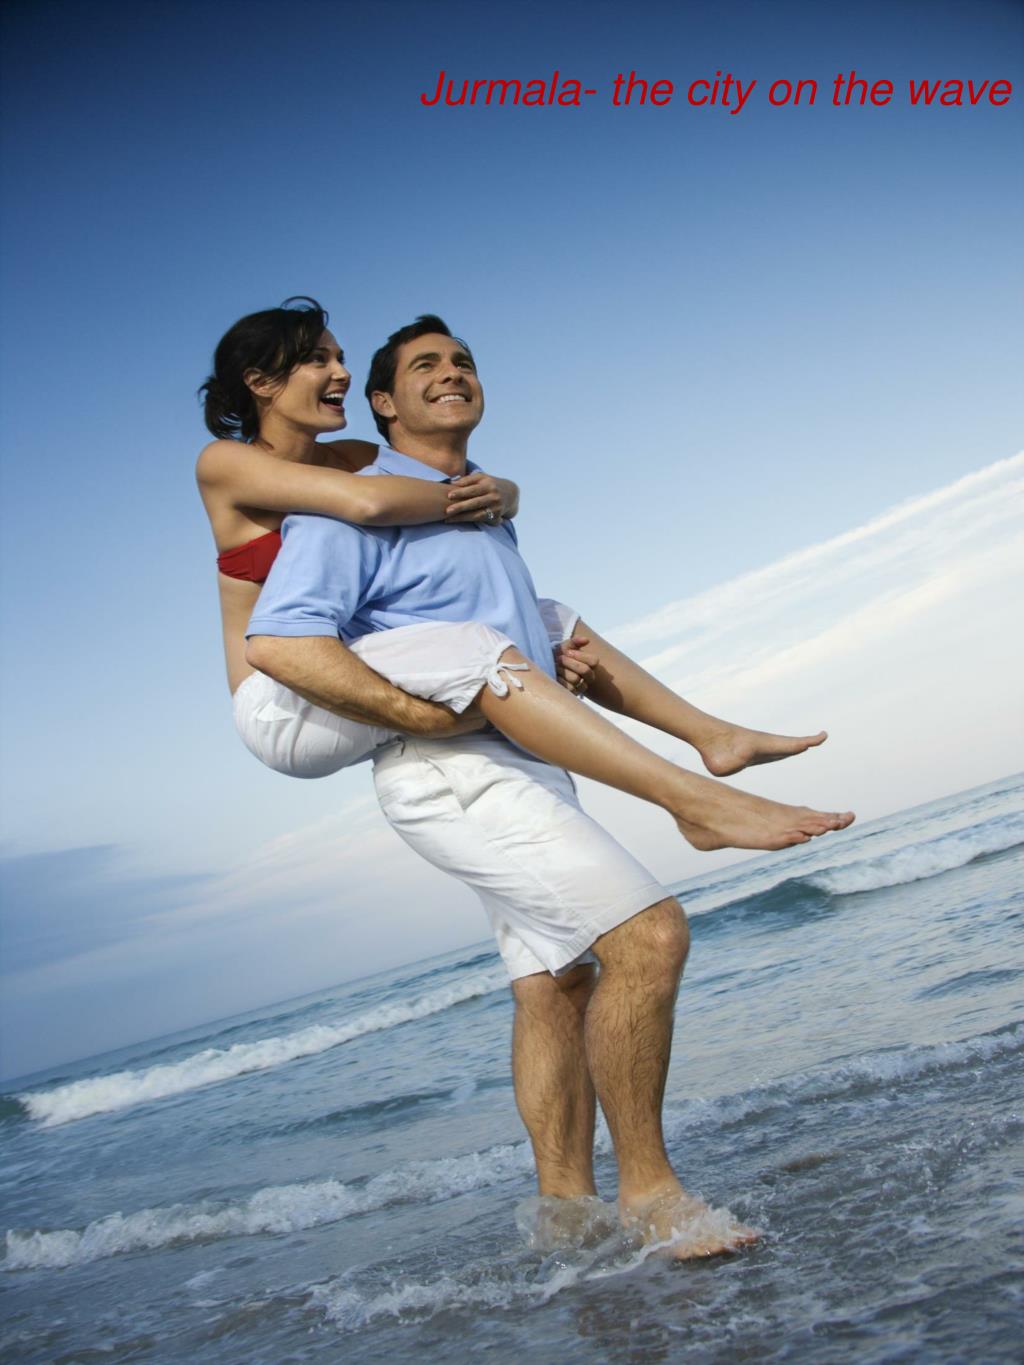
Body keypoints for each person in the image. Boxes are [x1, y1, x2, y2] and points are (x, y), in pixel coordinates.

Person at [243, 313, 855, 1256]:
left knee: (556, 985)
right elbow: (282, 641)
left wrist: (537, 653)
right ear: (382, 403)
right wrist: (418, 715)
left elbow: (489, 625)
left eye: (462, 360)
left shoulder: (480, 503)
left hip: (526, 762)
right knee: (650, 937)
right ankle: (653, 1196)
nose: (451, 372)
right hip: (453, 772)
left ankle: (567, 1222)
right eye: (423, 365)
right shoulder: (347, 505)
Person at [201, 299, 846, 850]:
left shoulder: (351, 454)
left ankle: (713, 736)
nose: (339, 371)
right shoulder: (225, 463)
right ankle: (689, 803)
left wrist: (505, 494)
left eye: (339, 357)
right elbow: (369, 503)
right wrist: (491, 497)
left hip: (353, 660)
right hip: (282, 697)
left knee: (548, 617)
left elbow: (436, 474)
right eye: (318, 360)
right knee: (478, 649)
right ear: (261, 382)